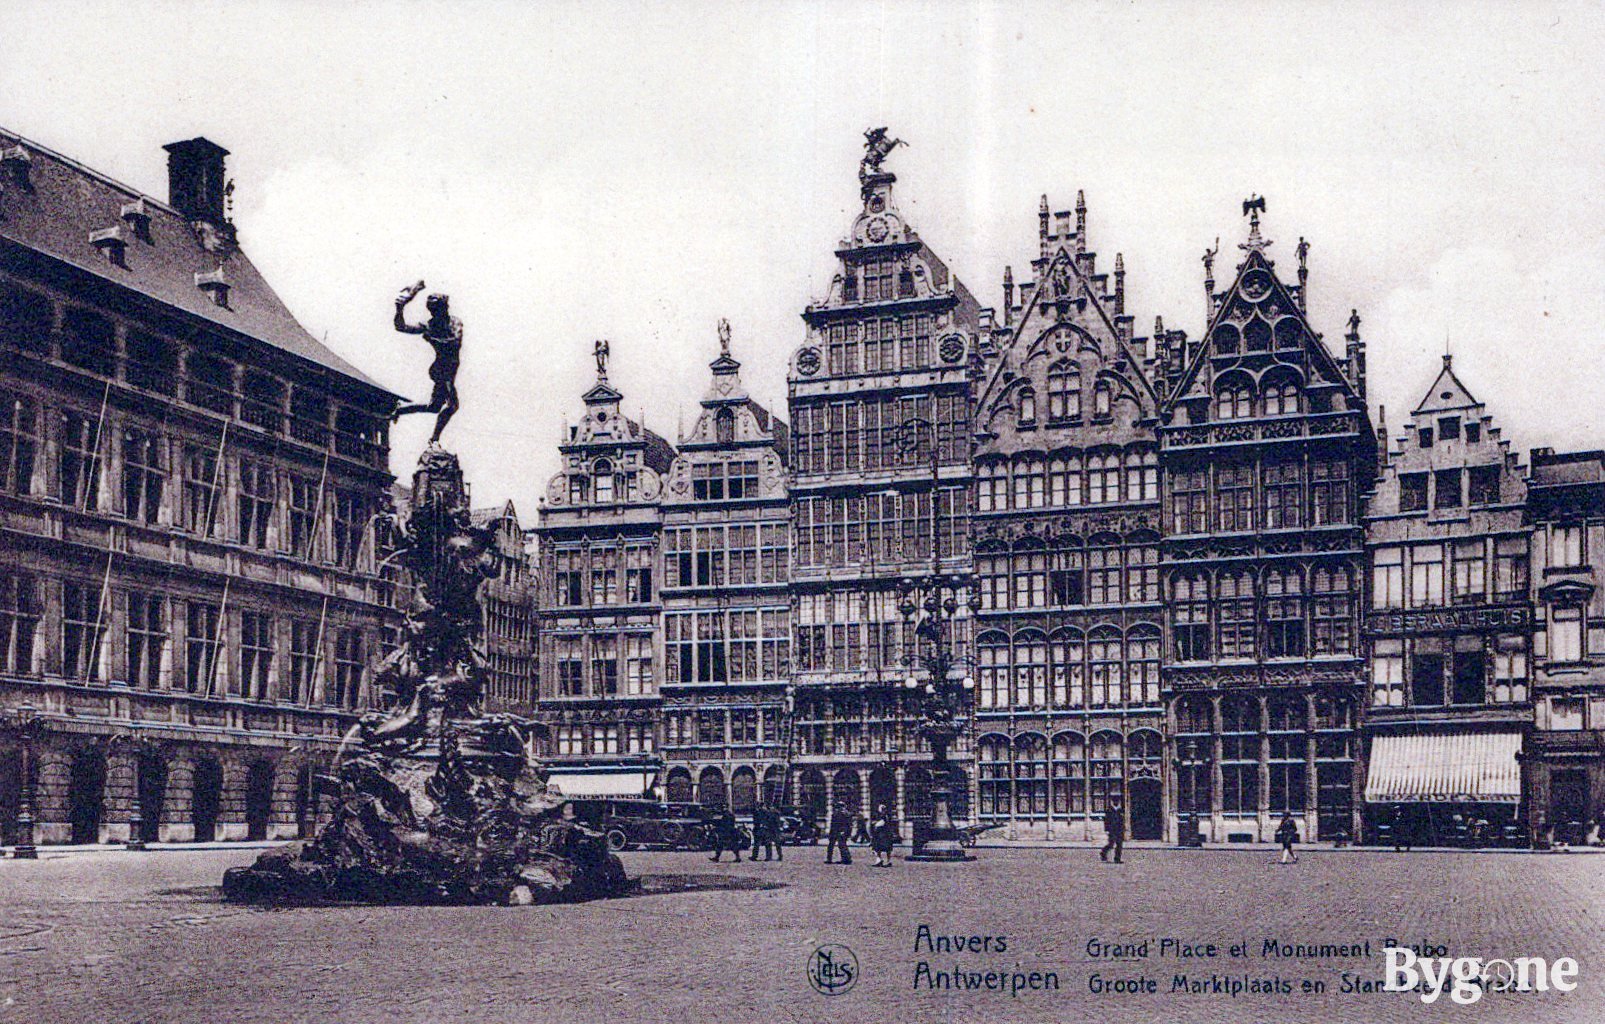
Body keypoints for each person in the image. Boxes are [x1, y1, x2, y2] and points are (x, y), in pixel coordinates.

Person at [392, 281, 463, 445]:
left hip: (451, 368)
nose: (436, 315)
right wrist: (399, 309)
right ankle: (434, 439)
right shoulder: (430, 325)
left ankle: (401, 408)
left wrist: (433, 339)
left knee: (434, 407)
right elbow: (400, 327)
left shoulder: (454, 323)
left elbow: (455, 341)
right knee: (452, 405)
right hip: (441, 370)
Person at [825, 799, 853, 865]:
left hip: (838, 831)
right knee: (840, 845)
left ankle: (845, 859)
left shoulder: (843, 813)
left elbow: (847, 824)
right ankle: (845, 859)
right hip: (837, 831)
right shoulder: (844, 813)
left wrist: (844, 831)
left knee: (840, 845)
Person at [870, 803, 897, 867]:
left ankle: (883, 860)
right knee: (884, 848)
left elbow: (878, 825)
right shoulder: (887, 815)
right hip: (885, 834)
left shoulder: (883, 816)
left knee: (880, 848)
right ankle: (883, 860)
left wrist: (875, 825)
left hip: (882, 834)